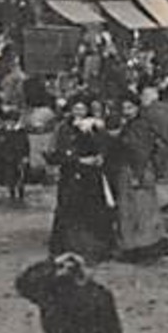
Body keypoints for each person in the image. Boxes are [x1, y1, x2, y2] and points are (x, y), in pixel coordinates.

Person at [45, 101, 116, 262]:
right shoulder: (64, 128)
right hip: (71, 175)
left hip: (91, 176)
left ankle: (94, 248)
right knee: (70, 211)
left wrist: (100, 157)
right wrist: (78, 160)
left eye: (82, 108)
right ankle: (68, 247)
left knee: (92, 211)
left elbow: (106, 147)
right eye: (76, 108)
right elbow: (58, 153)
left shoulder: (95, 126)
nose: (79, 112)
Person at [109, 99, 168, 263]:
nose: (127, 111)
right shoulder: (137, 125)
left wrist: (138, 173)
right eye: (124, 108)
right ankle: (143, 246)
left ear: (137, 108)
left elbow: (139, 151)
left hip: (134, 170)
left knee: (136, 210)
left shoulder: (138, 127)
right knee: (140, 210)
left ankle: (139, 248)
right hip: (137, 169)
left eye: (130, 107)